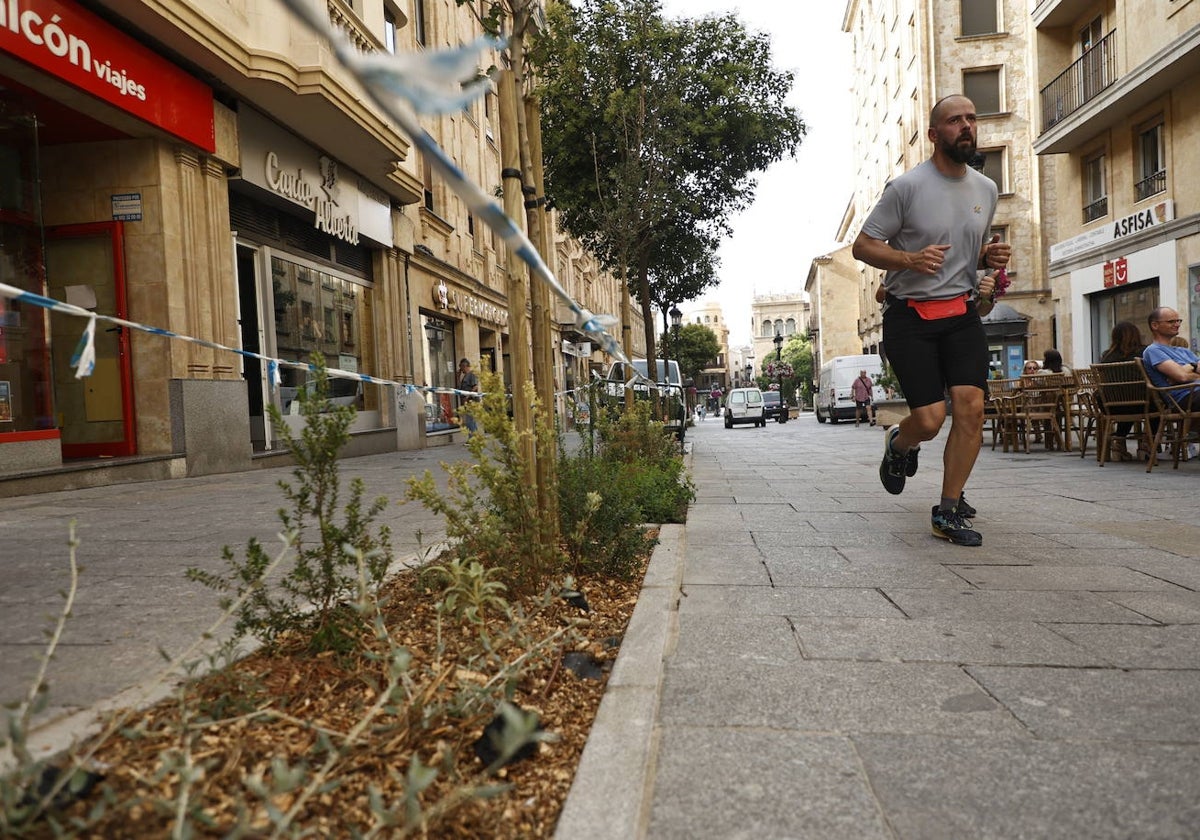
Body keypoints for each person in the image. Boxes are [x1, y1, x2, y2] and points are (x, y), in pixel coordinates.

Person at [852, 93, 1010, 547]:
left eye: (971, 118)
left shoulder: (986, 189)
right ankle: (899, 445)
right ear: (934, 133)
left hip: (960, 314)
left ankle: (948, 508)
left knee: (971, 408)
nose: (966, 126)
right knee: (928, 419)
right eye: (955, 120)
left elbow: (966, 252)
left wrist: (987, 256)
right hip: (910, 317)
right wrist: (908, 258)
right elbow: (864, 246)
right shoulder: (906, 188)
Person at [1099, 321, 1147, 461]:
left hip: (1111, 406)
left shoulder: (1106, 356)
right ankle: (1147, 443)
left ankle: (1119, 443)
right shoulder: (1143, 352)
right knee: (1160, 402)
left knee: (1125, 399)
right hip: (1141, 404)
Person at [1143, 307, 1200, 410]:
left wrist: (1189, 368)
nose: (1177, 324)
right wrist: (1193, 368)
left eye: (1178, 321)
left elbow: (1180, 376)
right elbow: (1182, 376)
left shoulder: (1184, 351)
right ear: (1155, 325)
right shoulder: (1153, 350)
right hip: (1184, 398)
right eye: (1171, 322)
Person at [457, 358, 480, 433]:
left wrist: (467, 396)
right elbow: (459, 388)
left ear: (464, 366)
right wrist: (458, 376)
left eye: (461, 367)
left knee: (470, 421)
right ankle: (476, 438)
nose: (461, 370)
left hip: (471, 401)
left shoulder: (471, 374)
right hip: (467, 402)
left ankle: (472, 439)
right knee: (470, 421)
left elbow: (475, 386)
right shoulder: (464, 376)